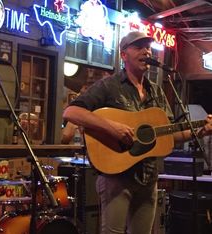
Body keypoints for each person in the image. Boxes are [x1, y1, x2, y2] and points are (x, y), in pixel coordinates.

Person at [63, 31, 212, 234]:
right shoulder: (109, 86)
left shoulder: (157, 92)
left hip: (148, 178)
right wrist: (112, 128)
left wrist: (201, 131)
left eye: (148, 47)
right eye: (139, 47)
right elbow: (72, 111)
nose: (146, 51)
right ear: (124, 55)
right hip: (116, 177)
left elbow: (168, 136)